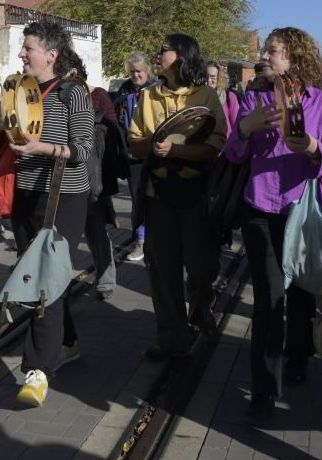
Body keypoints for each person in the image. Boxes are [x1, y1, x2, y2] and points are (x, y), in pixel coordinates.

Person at [223, 27, 322, 422]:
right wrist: (245, 127)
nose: (266, 57)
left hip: (304, 210)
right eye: (268, 51)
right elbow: (234, 155)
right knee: (269, 301)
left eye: (274, 51)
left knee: (302, 295)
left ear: (295, 58)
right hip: (260, 209)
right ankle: (264, 389)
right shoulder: (252, 98)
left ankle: (299, 355)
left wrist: (310, 147)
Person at [0, 21, 94, 407]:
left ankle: (37, 371)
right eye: (23, 47)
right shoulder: (18, 90)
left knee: (44, 279)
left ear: (51, 54)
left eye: (28, 47)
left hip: (64, 198)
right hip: (27, 195)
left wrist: (42, 148)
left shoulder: (73, 92)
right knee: (51, 276)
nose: (21, 54)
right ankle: (69, 343)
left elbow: (82, 148)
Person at [128, 33, 227, 362]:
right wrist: (153, 146)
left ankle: (201, 307)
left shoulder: (207, 95)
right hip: (159, 196)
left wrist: (178, 149)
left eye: (164, 50)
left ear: (182, 56)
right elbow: (135, 142)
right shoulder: (148, 96)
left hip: (196, 195)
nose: (158, 54)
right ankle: (172, 339)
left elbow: (214, 146)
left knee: (201, 266)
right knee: (163, 270)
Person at [85, 81, 128, 301]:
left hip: (95, 175)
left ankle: (105, 279)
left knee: (96, 229)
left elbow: (113, 129)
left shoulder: (98, 95)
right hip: (66, 177)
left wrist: (101, 129)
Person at [116, 52, 155, 261]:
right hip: (132, 155)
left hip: (154, 154)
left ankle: (152, 239)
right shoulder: (124, 89)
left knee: (154, 200)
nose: (135, 75)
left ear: (147, 70)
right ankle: (140, 240)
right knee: (137, 199)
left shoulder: (157, 89)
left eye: (139, 71)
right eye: (132, 72)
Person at [206, 60, 240, 138]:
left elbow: (237, 126)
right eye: (206, 76)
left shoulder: (229, 97)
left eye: (212, 77)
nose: (208, 80)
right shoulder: (198, 97)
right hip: (205, 146)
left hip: (225, 146)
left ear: (219, 78)